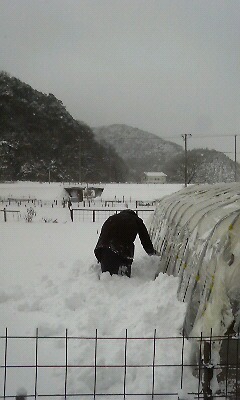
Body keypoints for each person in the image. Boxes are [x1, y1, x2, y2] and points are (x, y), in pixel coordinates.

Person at [94, 209, 156, 277]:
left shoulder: (112, 218)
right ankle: (124, 269)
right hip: (121, 251)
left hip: (102, 250)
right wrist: (152, 253)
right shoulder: (136, 220)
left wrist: (100, 256)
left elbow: (103, 236)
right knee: (122, 277)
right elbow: (145, 239)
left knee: (107, 276)